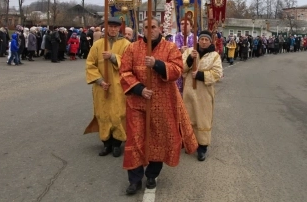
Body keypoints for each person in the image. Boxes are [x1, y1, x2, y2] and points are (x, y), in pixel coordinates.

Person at [119, 17, 198, 195]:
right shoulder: (132, 48)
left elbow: (177, 70)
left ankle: (152, 174)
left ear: (160, 28)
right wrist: (139, 89)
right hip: (137, 103)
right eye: (146, 27)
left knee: (159, 139)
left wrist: (157, 64)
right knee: (136, 139)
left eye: (153, 27)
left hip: (163, 103)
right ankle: (135, 179)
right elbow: (124, 71)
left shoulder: (170, 48)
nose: (150, 30)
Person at [84, 17, 131, 157]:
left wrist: (113, 57)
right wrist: (99, 81)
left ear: (119, 29)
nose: (113, 29)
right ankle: (106, 143)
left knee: (118, 114)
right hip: (101, 87)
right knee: (103, 114)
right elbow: (90, 64)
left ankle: (117, 143)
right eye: (110, 26)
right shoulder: (98, 44)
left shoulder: (126, 44)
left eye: (116, 27)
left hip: (118, 87)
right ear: (107, 27)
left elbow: (129, 63)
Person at [182, 30, 223, 161]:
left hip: (204, 93)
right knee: (189, 117)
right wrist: (189, 59)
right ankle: (189, 142)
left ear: (210, 41)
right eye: (202, 39)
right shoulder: (190, 51)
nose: (204, 42)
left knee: (203, 118)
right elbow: (180, 68)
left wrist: (200, 75)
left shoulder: (215, 55)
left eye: (206, 40)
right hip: (189, 91)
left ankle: (202, 147)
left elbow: (217, 74)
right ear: (198, 40)